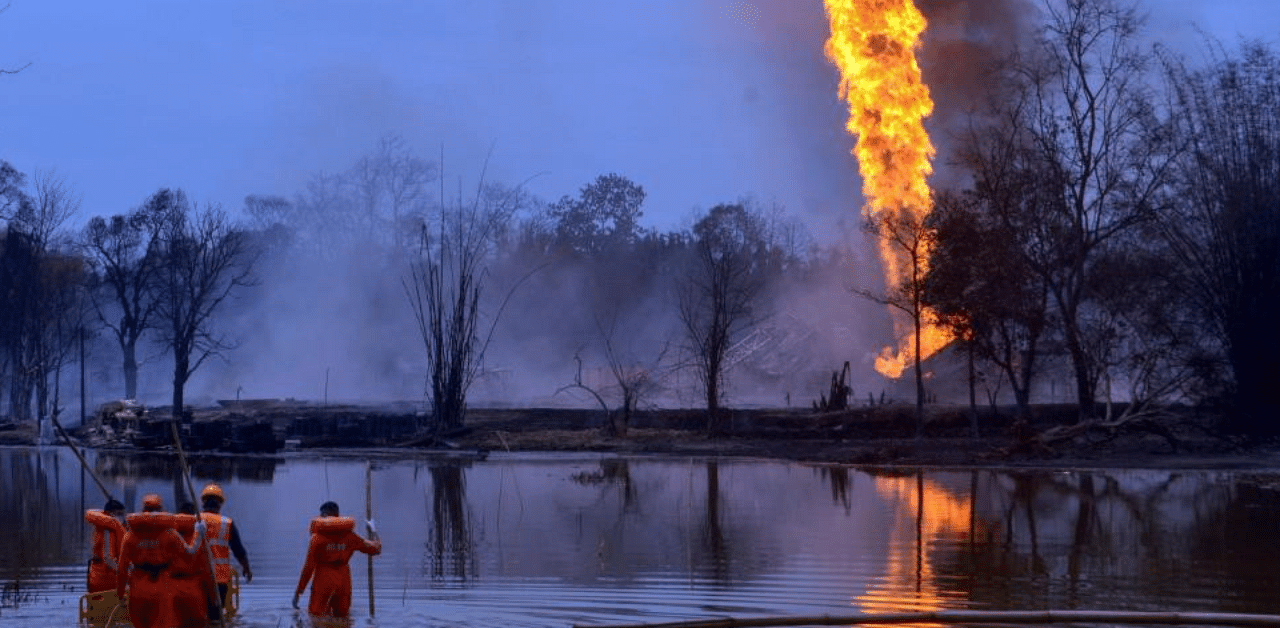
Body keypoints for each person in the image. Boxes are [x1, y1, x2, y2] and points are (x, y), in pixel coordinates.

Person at [116, 494, 206, 628]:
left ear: (143, 511)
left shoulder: (130, 535)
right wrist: (199, 533)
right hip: (161, 591)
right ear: (161, 510)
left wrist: (120, 593)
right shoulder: (169, 533)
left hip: (137, 592)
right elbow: (190, 553)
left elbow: (122, 569)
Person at [293, 501, 381, 618]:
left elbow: (308, 568)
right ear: (338, 516)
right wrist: (373, 530)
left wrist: (298, 592)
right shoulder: (350, 536)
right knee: (343, 618)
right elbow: (376, 549)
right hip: (343, 582)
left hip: (323, 581)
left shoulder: (317, 539)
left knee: (316, 619)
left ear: (323, 516)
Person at [199, 483, 252, 620]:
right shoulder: (226, 523)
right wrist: (247, 569)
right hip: (220, 582)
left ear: (203, 502)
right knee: (216, 619)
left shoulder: (195, 520)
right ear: (220, 504)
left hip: (198, 580)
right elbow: (239, 551)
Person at [172, 503, 217, 628]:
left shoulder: (168, 536)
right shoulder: (200, 540)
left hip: (171, 594)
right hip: (195, 594)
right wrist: (213, 600)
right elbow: (207, 573)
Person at [85, 498, 127, 593]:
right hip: (106, 581)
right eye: (119, 514)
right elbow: (108, 559)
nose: (122, 517)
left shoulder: (101, 527)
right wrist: (125, 575)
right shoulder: (109, 529)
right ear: (112, 514)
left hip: (95, 578)